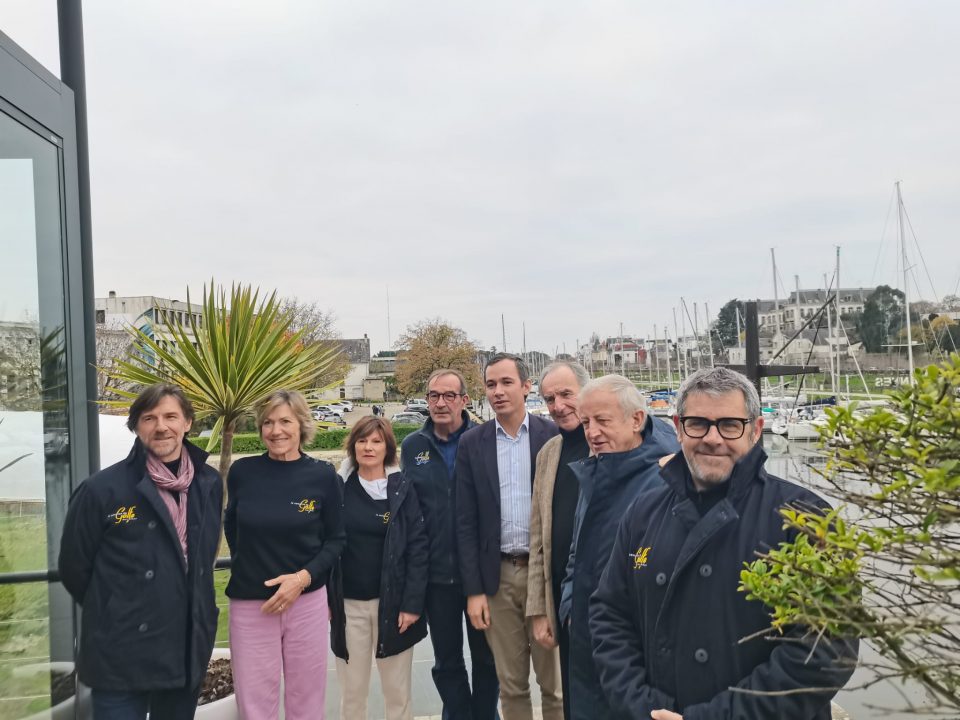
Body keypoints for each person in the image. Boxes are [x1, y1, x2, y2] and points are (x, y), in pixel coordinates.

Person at [589, 367, 858, 719]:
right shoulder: (644, 511)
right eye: (698, 423)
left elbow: (825, 651)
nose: (712, 438)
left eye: (730, 425)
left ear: (756, 430)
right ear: (677, 427)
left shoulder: (806, 518)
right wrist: (642, 708)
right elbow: (610, 615)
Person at [59, 383, 223, 719]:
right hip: (120, 653)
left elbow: (203, 559)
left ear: (188, 422)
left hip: (185, 650)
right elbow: (74, 569)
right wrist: (117, 608)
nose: (161, 426)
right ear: (136, 426)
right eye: (149, 418)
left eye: (170, 416)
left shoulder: (208, 482)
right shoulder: (101, 490)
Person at [556, 374, 679, 720]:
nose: (592, 432)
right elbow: (577, 551)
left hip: (635, 648)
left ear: (637, 419)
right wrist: (569, 605)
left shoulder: (667, 476)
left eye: (602, 421)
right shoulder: (597, 469)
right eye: (586, 422)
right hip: (585, 635)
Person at [224, 389, 345, 719]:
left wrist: (302, 579)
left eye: (285, 421)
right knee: (254, 702)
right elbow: (231, 523)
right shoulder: (242, 472)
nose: (276, 430)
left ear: (301, 425)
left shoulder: (323, 476)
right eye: (268, 423)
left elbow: (336, 540)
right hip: (252, 603)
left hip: (306, 603)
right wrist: (250, 564)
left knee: (306, 699)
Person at [456, 353, 563, 720]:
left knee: (556, 687)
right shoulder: (473, 444)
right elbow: (465, 521)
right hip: (497, 578)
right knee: (511, 686)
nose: (498, 391)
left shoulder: (555, 437)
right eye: (490, 385)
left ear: (526, 386)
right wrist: (474, 591)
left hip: (545, 576)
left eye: (506, 382)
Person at [400, 369, 500, 720]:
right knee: (447, 662)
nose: (440, 403)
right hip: (436, 577)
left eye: (448, 396)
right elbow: (408, 513)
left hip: (483, 576)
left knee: (488, 658)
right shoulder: (413, 446)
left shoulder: (486, 439)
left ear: (464, 400)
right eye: (433, 396)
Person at [330, 416, 429, 720]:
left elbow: (418, 547)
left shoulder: (402, 489)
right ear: (353, 446)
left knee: (397, 693)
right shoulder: (338, 489)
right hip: (349, 607)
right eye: (362, 440)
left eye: (376, 441)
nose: (368, 447)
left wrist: (412, 604)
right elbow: (325, 543)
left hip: (394, 606)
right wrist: (327, 599)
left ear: (388, 447)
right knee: (352, 693)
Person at [525, 361, 591, 720]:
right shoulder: (549, 453)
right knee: (572, 701)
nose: (558, 405)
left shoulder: (610, 444)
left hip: (607, 604)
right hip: (564, 606)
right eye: (550, 398)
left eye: (566, 394)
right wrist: (540, 609)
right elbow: (539, 538)